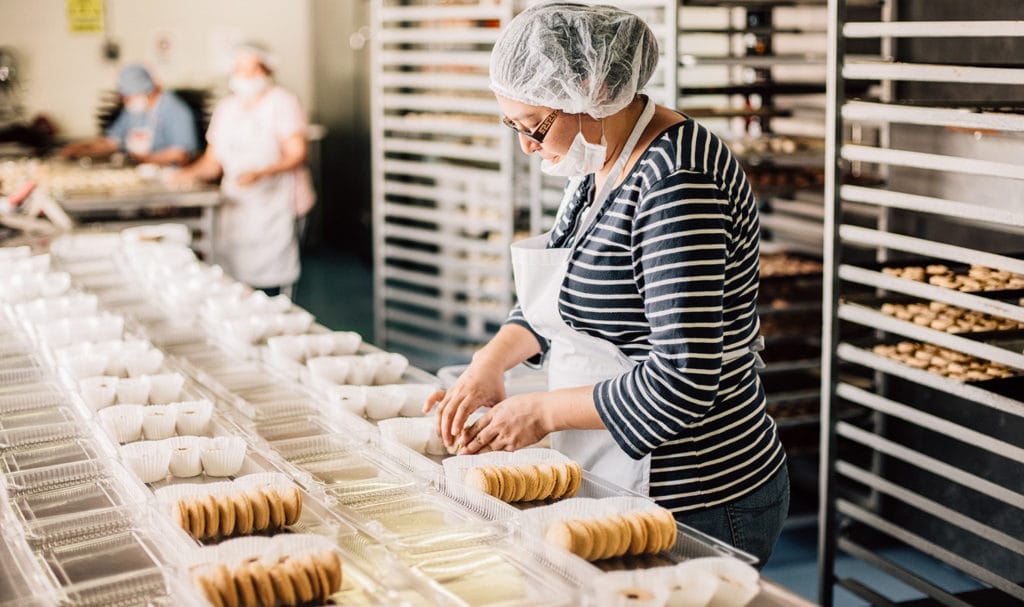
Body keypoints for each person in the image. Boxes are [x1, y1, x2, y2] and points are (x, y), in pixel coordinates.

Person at [426, 2, 789, 565]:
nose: (526, 146)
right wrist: (488, 364)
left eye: (535, 126)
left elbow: (682, 381)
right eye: (514, 126)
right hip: (619, 475)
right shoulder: (602, 159)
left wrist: (542, 413)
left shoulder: (676, 184)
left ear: (592, 90)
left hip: (696, 496)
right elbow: (560, 303)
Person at [171, 43, 314, 296]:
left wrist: (261, 173)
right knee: (233, 281)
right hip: (236, 207)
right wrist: (185, 174)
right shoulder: (226, 108)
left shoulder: (282, 102)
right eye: (239, 69)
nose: (245, 75)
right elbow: (212, 162)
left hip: (275, 207)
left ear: (267, 71)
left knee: (271, 282)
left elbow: (297, 154)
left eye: (252, 69)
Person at [61, 63, 198, 166]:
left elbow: (181, 154)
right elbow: (112, 142)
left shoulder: (175, 110)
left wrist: (147, 160)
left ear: (144, 89)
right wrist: (81, 149)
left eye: (128, 97)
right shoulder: (133, 111)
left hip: (170, 180)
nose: (126, 101)